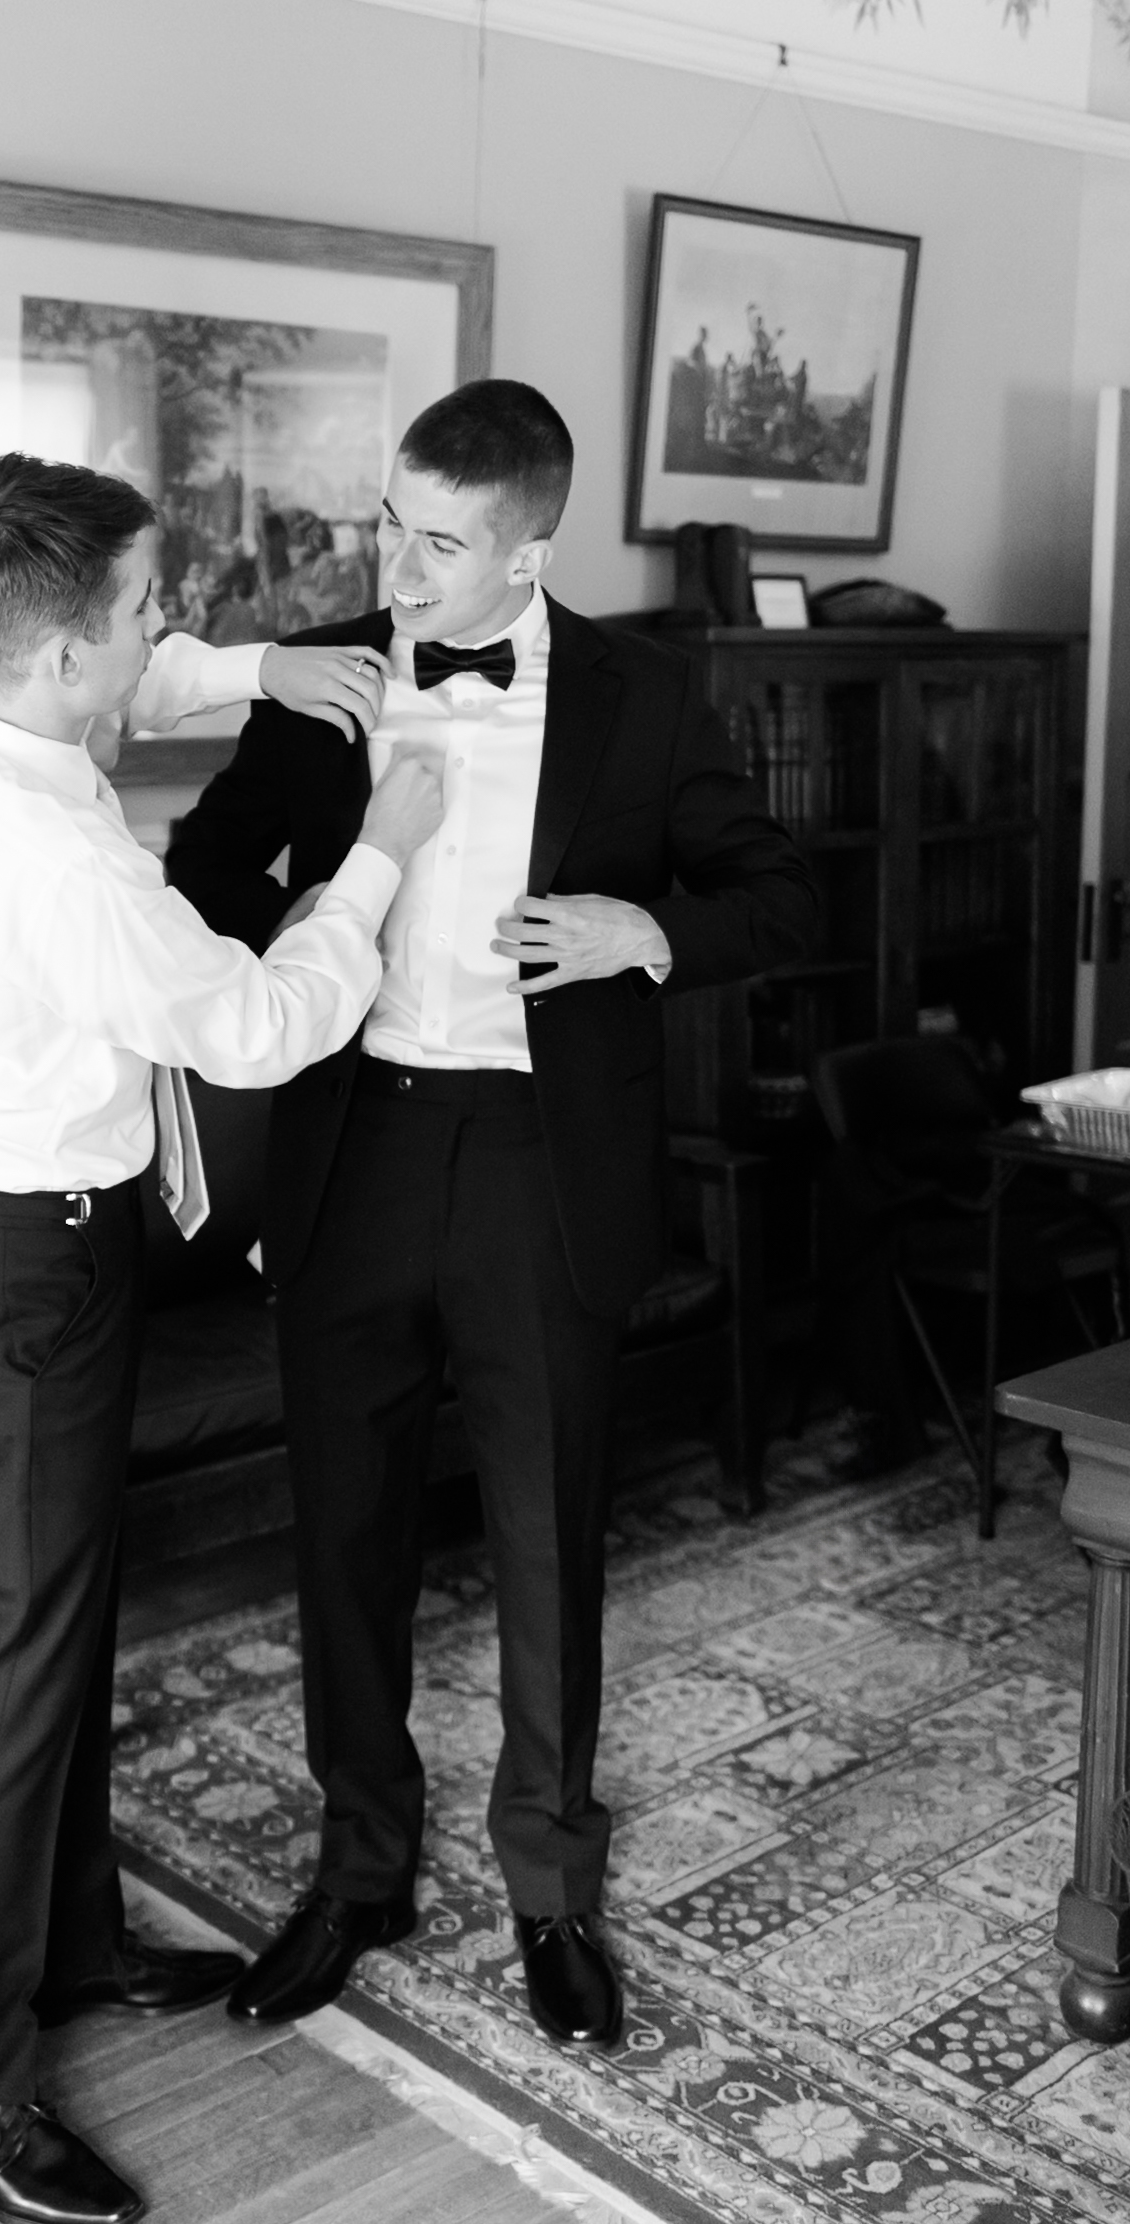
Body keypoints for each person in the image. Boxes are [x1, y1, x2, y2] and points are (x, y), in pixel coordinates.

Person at [167, 380, 818, 2053]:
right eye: (389, 522)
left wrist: (639, 932)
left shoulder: (648, 696)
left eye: (438, 540)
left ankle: (551, 1890)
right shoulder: (326, 669)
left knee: (545, 1540)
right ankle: (360, 1871)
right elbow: (201, 877)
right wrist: (314, 898)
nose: (395, 567)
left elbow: (783, 899)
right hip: (354, 1152)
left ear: (533, 542)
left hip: (543, 1162)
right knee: (349, 1535)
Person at [0, 450, 440, 2224]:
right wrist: (374, 863)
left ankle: (74, 1956)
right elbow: (263, 1025)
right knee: (19, 1677)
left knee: (66, 1630)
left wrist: (261, 675)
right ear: (59, 655)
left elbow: (133, 662)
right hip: (25, 1275)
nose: (161, 636)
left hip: (28, 1252)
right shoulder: (64, 868)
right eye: (143, 615)